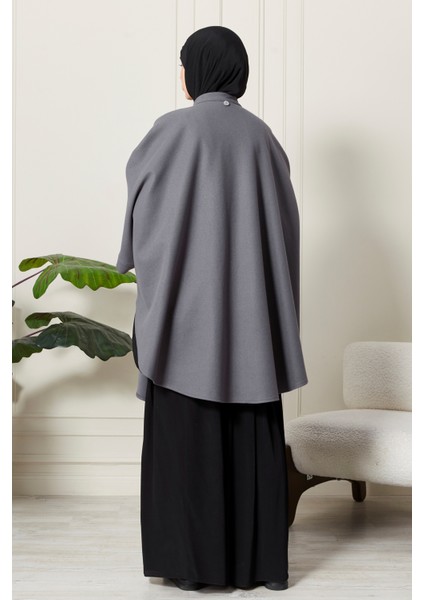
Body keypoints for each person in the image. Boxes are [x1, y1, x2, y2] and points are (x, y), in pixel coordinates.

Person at [116, 25, 308, 592]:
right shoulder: (263, 138)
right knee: (248, 438)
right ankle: (257, 565)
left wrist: (145, 262)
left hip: (184, 326)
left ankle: (191, 568)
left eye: (183, 65)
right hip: (250, 331)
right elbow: (284, 232)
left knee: (185, 443)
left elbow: (143, 216)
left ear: (196, 71)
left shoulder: (170, 131)